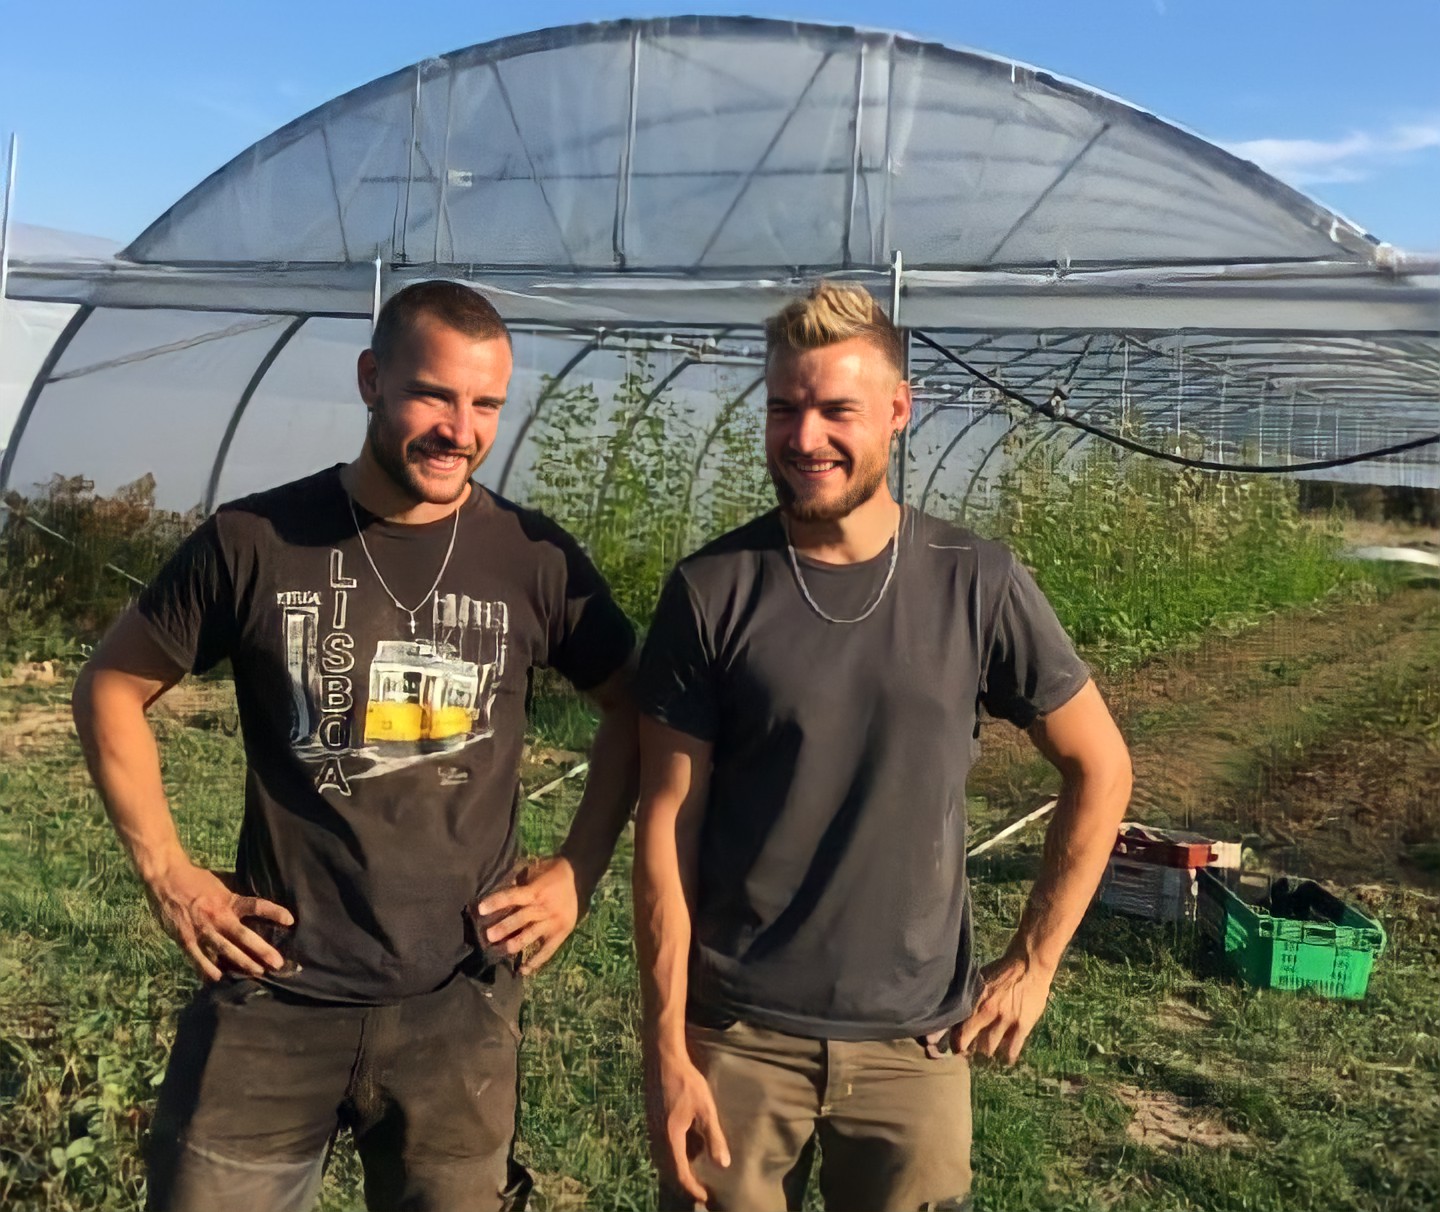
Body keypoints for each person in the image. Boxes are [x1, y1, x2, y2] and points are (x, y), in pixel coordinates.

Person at [71, 280, 638, 1212]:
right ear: (372, 379)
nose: (460, 427)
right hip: (271, 992)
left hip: (459, 999)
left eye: (486, 403)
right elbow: (111, 686)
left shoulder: (533, 559)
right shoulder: (256, 540)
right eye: (433, 394)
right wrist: (168, 872)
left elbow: (631, 707)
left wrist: (578, 869)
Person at [633, 282, 1133, 1211]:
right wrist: (666, 1046)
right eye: (785, 408)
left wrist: (1033, 963)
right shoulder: (713, 591)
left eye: (837, 410)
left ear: (900, 411)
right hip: (740, 1036)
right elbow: (667, 825)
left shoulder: (973, 581)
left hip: (916, 1046)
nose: (805, 436)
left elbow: (1100, 766)